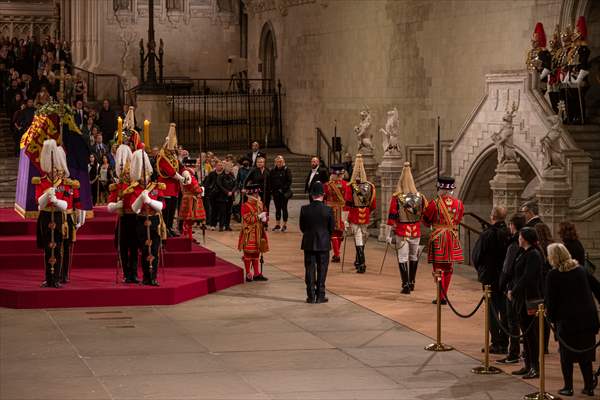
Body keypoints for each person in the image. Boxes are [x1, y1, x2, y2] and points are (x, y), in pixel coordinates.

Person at [546, 243, 600, 397]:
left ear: (554, 257)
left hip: (567, 321)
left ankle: (568, 387)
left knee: (566, 356)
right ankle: (589, 387)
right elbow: (597, 288)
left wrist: (551, 319)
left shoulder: (553, 275)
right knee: (586, 355)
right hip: (588, 320)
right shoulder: (581, 270)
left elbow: (551, 301)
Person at [32, 139, 85, 287]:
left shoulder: (64, 184)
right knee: (48, 248)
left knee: (59, 247)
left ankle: (57, 277)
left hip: (59, 216)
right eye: (52, 168)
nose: (54, 171)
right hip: (46, 216)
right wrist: (46, 195)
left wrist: (55, 200)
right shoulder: (40, 182)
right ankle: (48, 277)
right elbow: (39, 203)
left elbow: (66, 204)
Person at [472, 206, 510, 354]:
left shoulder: (487, 234)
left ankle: (496, 343)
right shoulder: (508, 233)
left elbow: (476, 256)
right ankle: (505, 342)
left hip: (490, 278)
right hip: (505, 277)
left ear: (492, 216)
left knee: (492, 311)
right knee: (505, 311)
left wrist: (481, 271)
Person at [508, 227, 544, 380]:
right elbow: (516, 273)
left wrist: (514, 291)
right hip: (520, 298)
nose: (518, 238)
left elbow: (528, 277)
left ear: (525, 238)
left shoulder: (534, 255)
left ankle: (535, 367)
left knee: (532, 336)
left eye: (520, 236)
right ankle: (528, 365)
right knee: (526, 334)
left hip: (529, 298)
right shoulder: (523, 253)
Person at [422, 176, 464, 304]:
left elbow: (425, 219)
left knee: (438, 269)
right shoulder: (459, 204)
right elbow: (458, 220)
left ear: (441, 188)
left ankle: (441, 296)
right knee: (449, 268)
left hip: (439, 238)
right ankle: (444, 295)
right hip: (452, 236)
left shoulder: (435, 203)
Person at [386, 162, 427, 294]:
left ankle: (405, 285)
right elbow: (424, 214)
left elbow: (392, 216)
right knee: (414, 256)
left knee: (403, 257)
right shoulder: (420, 197)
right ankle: (412, 282)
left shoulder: (397, 198)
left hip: (402, 231)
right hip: (416, 231)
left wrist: (388, 234)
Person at [130, 148, 166, 286]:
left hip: (154, 220)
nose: (145, 177)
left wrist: (150, 201)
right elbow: (135, 208)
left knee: (154, 250)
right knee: (144, 250)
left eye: (147, 175)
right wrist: (141, 197)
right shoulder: (135, 188)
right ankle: (146, 276)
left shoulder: (157, 187)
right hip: (141, 220)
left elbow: (162, 205)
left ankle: (153, 276)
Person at [106, 144, 140, 283]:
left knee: (134, 246)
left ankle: (134, 272)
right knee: (123, 247)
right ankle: (126, 273)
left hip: (134, 217)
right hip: (123, 218)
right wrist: (115, 205)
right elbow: (109, 205)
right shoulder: (118, 185)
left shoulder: (135, 184)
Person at [497, 213, 527, 365]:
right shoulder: (526, 243)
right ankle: (523, 354)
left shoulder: (514, 245)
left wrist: (503, 286)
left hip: (513, 289)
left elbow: (507, 269)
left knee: (513, 322)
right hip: (520, 288)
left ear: (513, 226)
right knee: (520, 322)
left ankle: (513, 353)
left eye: (510, 225)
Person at [300, 181, 335, 303]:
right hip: (324, 242)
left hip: (309, 242)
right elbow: (332, 228)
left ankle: (310, 296)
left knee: (309, 269)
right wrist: (325, 236)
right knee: (322, 269)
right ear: (323, 194)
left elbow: (302, 227)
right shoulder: (328, 210)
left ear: (311, 195)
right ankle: (320, 295)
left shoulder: (304, 209)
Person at [344, 154, 376, 274]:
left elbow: (347, 204)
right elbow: (373, 205)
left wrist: (345, 219)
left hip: (354, 214)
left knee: (358, 238)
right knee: (362, 237)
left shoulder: (350, 187)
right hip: (365, 214)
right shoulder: (371, 187)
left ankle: (362, 263)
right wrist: (366, 210)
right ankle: (358, 261)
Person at [156, 123, 185, 237]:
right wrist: (181, 178)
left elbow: (179, 167)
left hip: (174, 189)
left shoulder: (172, 156)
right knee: (166, 211)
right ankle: (164, 228)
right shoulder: (163, 157)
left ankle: (169, 227)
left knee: (172, 210)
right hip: (166, 188)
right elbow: (171, 172)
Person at [238, 183, 269, 282]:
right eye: (255, 194)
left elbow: (265, 214)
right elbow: (247, 219)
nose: (257, 195)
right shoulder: (245, 205)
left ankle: (256, 273)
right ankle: (248, 273)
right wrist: (259, 216)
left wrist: (265, 218)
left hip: (259, 231)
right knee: (248, 254)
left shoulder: (260, 203)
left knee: (256, 253)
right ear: (250, 194)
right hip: (249, 233)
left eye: (257, 193)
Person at [324, 164, 348, 263]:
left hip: (330, 210)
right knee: (340, 232)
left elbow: (324, 198)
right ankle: (337, 252)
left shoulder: (327, 185)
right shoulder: (347, 185)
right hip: (343, 210)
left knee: (332, 233)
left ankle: (337, 254)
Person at [179, 159, 206, 241]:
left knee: (189, 220)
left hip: (190, 197)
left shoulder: (189, 173)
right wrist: (201, 189)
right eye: (196, 166)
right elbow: (193, 186)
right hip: (190, 198)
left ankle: (188, 236)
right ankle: (187, 237)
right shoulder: (188, 173)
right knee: (188, 219)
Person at [269, 155, 292, 232]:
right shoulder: (272, 170)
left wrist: (282, 189)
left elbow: (289, 181)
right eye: (278, 161)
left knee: (284, 208)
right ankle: (278, 224)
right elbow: (271, 181)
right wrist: (272, 190)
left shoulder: (286, 170)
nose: (279, 163)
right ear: (275, 162)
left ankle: (284, 225)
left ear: (283, 162)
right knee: (277, 209)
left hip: (284, 193)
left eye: (281, 161)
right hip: (276, 193)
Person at [215, 161, 236, 231]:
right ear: (225, 167)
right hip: (222, 197)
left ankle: (227, 225)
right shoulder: (220, 176)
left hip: (230, 196)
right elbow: (219, 185)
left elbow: (235, 185)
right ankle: (221, 226)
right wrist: (227, 192)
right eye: (229, 166)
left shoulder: (232, 175)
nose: (230, 168)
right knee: (222, 212)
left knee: (229, 212)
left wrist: (232, 192)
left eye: (231, 167)